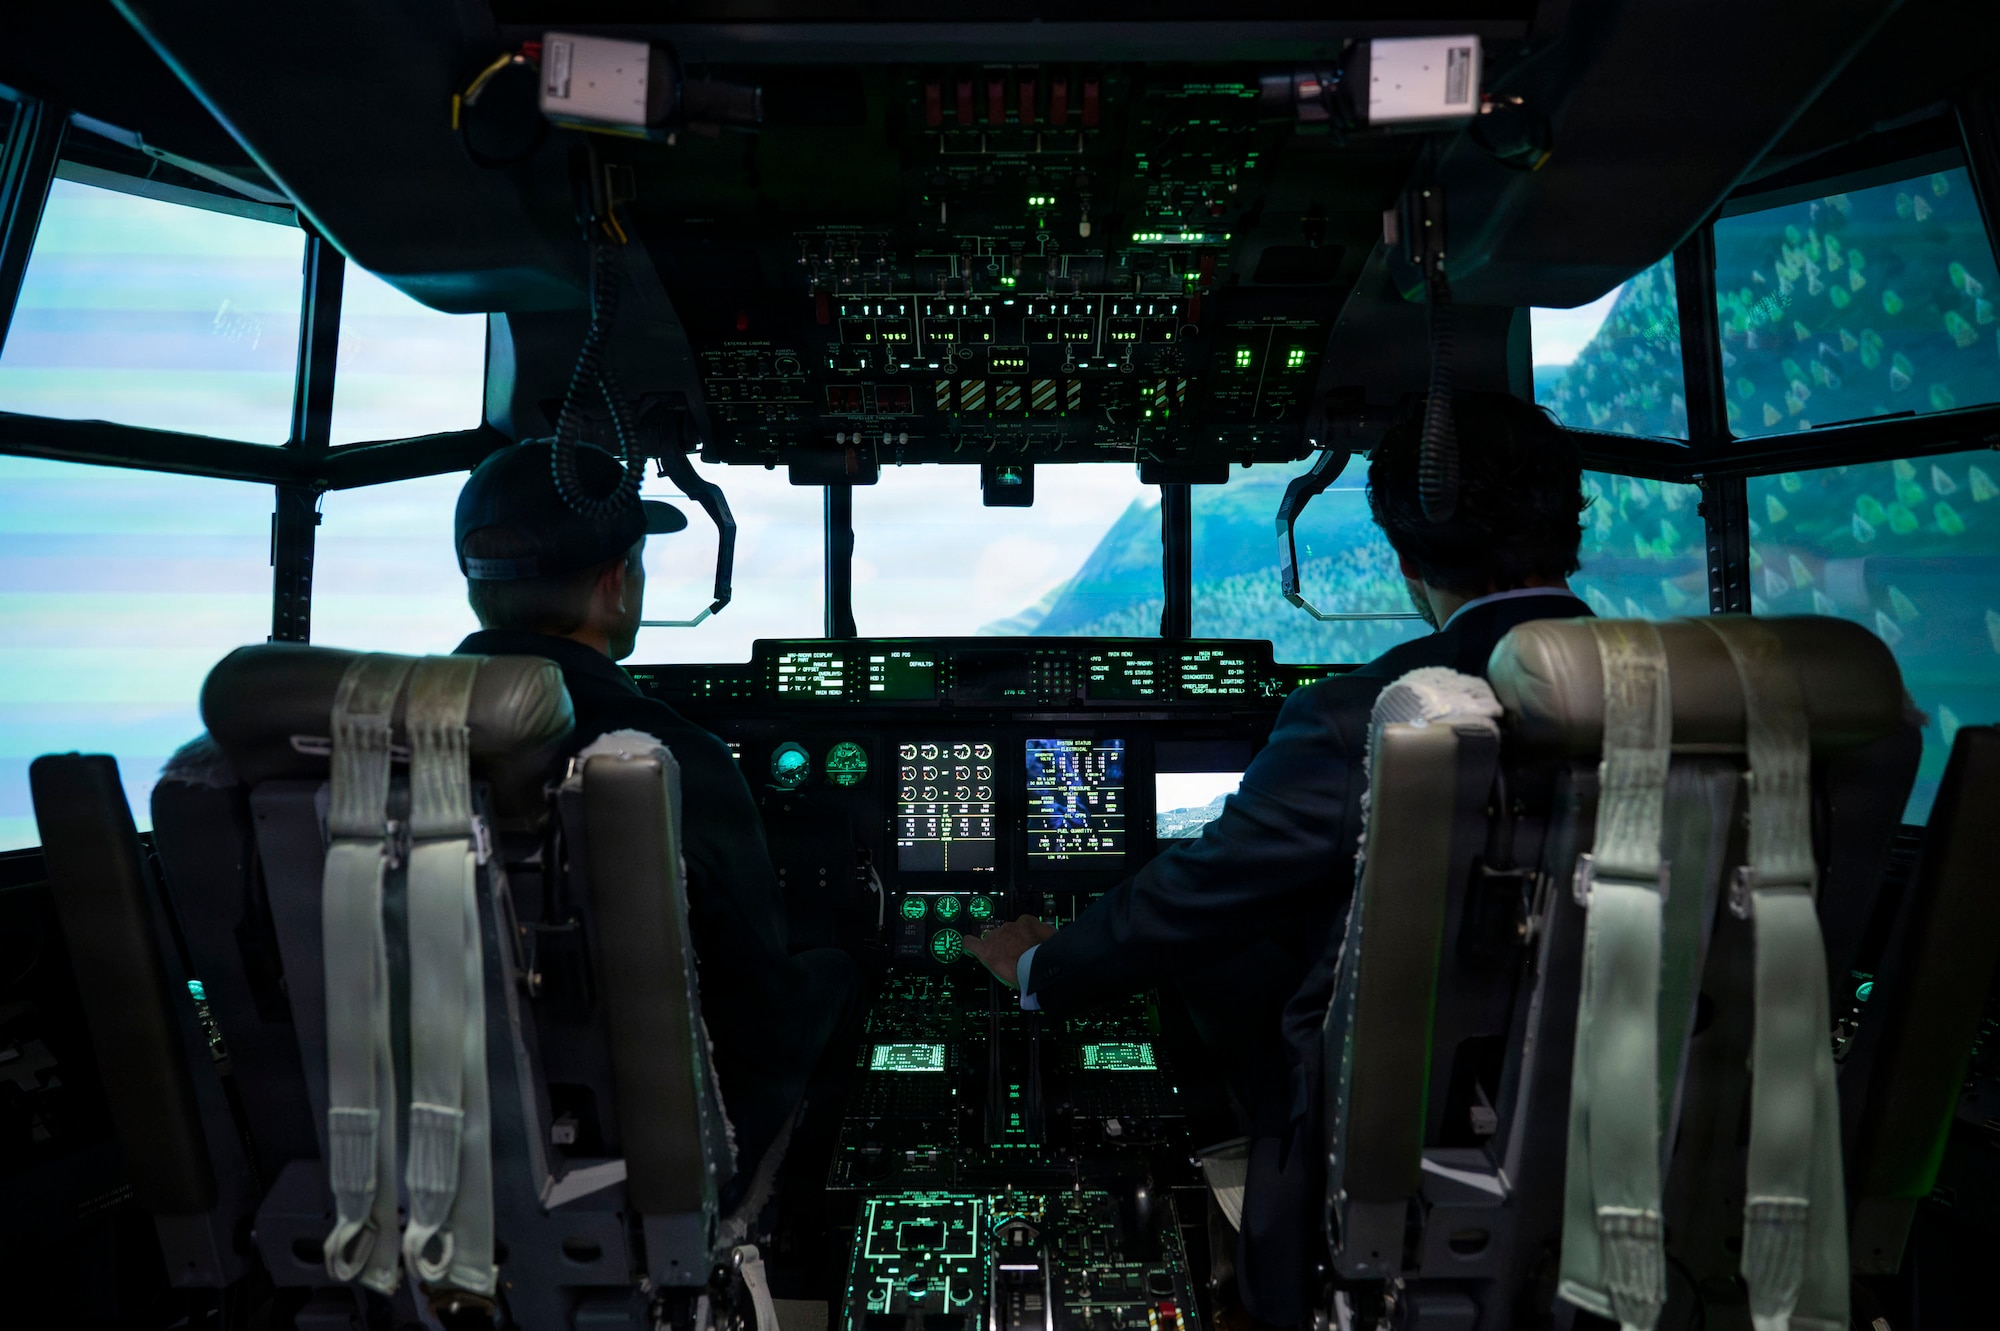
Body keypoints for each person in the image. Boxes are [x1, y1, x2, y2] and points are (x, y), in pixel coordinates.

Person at [965, 392, 1594, 1325]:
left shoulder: (1369, 718)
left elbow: (1196, 894)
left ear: (1406, 557)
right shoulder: (1714, 701)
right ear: (1571, 527)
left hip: (1402, 1158)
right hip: (1634, 1129)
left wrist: (1040, 964)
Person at [452, 438, 855, 1184]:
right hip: (643, 1171)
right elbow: (766, 1020)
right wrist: (843, 964)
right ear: (617, 584)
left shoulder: (373, 747)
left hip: (436, 1147)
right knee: (838, 980)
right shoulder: (671, 758)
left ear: (476, 584)